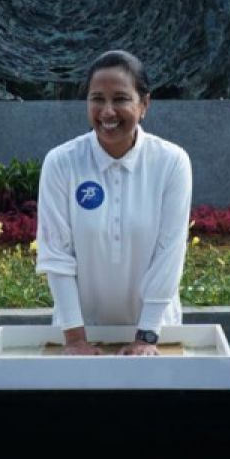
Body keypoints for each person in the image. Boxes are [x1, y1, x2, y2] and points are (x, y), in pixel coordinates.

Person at [35, 50, 193, 355]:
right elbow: (56, 254)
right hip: (79, 331)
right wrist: (76, 338)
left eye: (120, 99)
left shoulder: (171, 162)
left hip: (156, 330)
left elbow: (169, 253)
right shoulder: (61, 163)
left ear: (144, 104)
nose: (107, 111)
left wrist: (146, 336)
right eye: (97, 99)